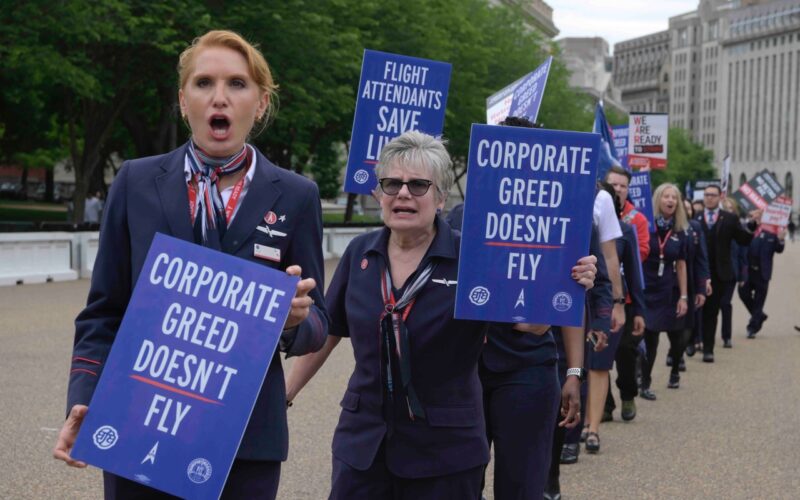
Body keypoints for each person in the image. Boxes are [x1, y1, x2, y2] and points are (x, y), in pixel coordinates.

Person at [53, 30, 329, 499]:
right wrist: (84, 399)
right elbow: (103, 313)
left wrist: (290, 322)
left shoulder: (297, 195)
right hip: (138, 424)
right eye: (204, 83)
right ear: (184, 100)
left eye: (237, 84)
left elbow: (318, 322)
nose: (219, 97)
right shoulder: (135, 182)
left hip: (245, 441)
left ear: (260, 103)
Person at [285, 131, 597, 499]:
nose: (403, 193)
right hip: (364, 445)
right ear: (378, 193)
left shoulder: (474, 257)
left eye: (418, 185)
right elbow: (330, 332)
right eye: (392, 183)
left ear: (440, 198)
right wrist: (286, 394)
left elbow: (531, 324)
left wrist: (566, 282)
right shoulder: (359, 254)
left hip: (446, 452)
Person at [445, 115, 587, 500]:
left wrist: (573, 372)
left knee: (522, 486)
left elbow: (572, 301)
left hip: (529, 369)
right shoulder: (460, 217)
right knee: (459, 482)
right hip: (466, 371)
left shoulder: (563, 221)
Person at [602, 172, 647, 423]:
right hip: (599, 302)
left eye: (623, 185)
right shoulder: (591, 220)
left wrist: (640, 310)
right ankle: (605, 404)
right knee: (598, 356)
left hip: (625, 303)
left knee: (626, 353)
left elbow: (635, 270)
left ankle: (628, 393)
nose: (618, 189)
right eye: (614, 184)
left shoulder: (631, 225)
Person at [696, 185, 755, 362]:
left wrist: (752, 225)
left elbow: (743, 239)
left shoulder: (729, 218)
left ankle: (708, 349)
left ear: (720, 197)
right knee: (695, 310)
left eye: (713, 195)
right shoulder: (695, 217)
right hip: (698, 272)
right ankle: (690, 342)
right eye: (706, 195)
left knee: (712, 312)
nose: (709, 198)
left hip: (719, 274)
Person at [640, 183, 689, 397]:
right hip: (647, 289)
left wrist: (684, 296)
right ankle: (645, 383)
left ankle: (675, 369)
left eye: (674, 197)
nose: (670, 201)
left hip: (669, 290)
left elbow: (681, 264)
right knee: (650, 338)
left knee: (677, 337)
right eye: (666, 196)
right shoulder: (646, 227)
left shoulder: (680, 231)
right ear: (658, 200)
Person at [738, 227, 786, 338]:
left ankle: (752, 328)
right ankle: (759, 316)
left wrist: (781, 239)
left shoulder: (773, 232)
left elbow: (779, 249)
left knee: (759, 300)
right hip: (748, 270)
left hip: (763, 272)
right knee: (742, 293)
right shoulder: (748, 228)